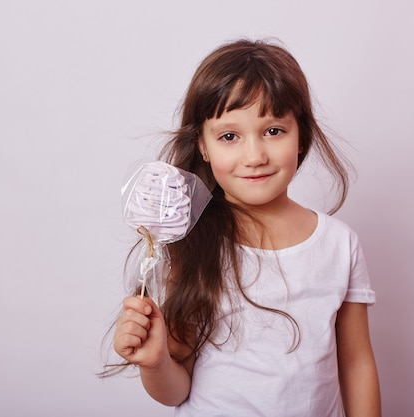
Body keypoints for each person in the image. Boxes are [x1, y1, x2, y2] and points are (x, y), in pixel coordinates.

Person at [105, 39, 381, 417]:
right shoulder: (192, 243)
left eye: (273, 131)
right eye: (229, 136)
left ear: (300, 135)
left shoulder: (339, 244)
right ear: (202, 145)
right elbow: (175, 391)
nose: (254, 157)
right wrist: (155, 363)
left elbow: (356, 364)